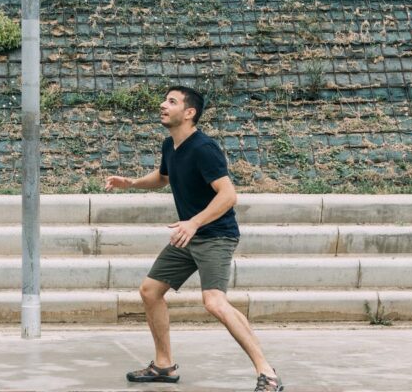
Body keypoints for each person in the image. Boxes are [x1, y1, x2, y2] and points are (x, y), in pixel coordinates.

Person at [104, 86, 284, 392]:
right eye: (164, 100)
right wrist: (130, 182)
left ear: (189, 113)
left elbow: (229, 195)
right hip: (189, 234)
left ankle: (267, 372)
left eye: (171, 102)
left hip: (215, 235)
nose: (162, 105)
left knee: (214, 301)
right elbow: (163, 177)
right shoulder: (170, 145)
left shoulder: (204, 148)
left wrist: (195, 223)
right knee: (150, 291)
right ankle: (163, 365)